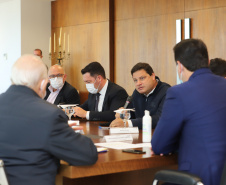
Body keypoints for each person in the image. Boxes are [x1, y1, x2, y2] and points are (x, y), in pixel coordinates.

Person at [0, 55, 98, 185]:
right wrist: (66, 132)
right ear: (43, 83)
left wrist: (61, 131)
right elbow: (88, 154)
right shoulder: (49, 115)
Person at [151, 39, 226, 185]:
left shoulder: (179, 93)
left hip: (198, 179)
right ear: (208, 61)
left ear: (179, 66)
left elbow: (159, 145)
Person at [110, 62, 170, 129]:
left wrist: (127, 123)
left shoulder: (167, 91)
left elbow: (160, 118)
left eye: (142, 78)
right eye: (135, 80)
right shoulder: (137, 92)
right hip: (140, 136)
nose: (138, 83)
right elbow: (132, 114)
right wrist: (123, 114)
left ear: (153, 76)